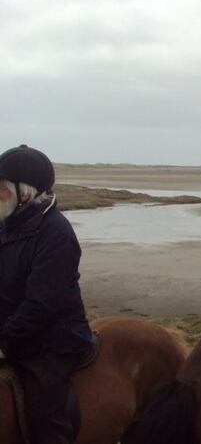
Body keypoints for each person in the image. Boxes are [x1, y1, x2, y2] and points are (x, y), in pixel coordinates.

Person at [0, 145, 94, 444]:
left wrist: (4, 342)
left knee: (44, 419)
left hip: (51, 342)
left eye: (1, 189)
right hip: (12, 330)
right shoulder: (6, 226)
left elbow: (42, 304)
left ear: (24, 193)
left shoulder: (57, 233)